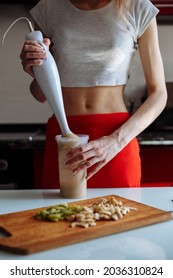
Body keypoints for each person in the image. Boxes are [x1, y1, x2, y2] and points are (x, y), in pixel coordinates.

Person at [20, 0, 167, 189]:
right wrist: (35, 70)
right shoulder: (49, 8)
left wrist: (115, 141)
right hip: (65, 139)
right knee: (58, 216)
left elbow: (159, 94)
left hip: (116, 140)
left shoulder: (137, 6)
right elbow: (40, 94)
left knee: (122, 217)